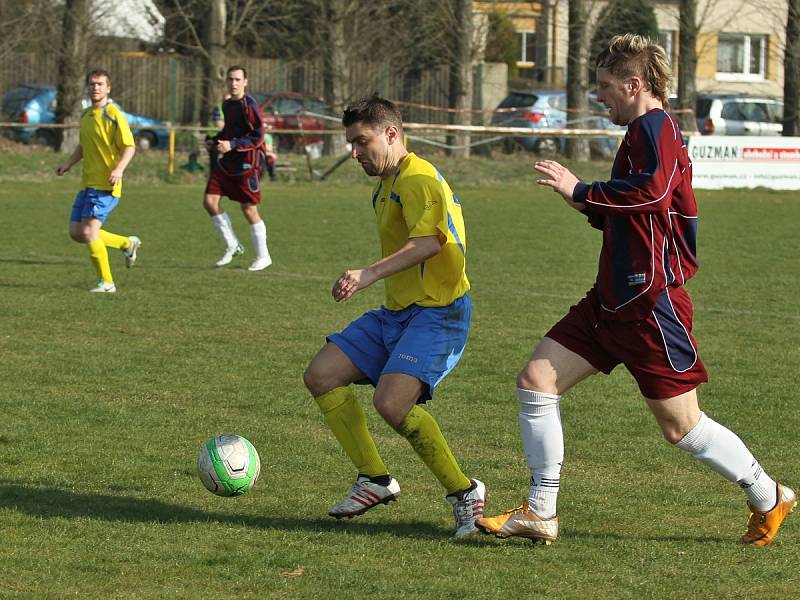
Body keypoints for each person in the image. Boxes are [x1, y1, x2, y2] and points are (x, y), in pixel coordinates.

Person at [475, 34, 795, 547]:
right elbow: (637, 214)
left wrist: (583, 190)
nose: (599, 96)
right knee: (537, 380)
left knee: (682, 428)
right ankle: (540, 512)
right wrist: (584, 203)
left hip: (650, 301)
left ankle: (767, 493)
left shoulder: (657, 127)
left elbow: (654, 192)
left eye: (605, 87)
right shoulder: (642, 133)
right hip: (611, 298)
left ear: (634, 84)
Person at [302, 96, 485, 538]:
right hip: (398, 312)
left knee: (391, 403)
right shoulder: (386, 184)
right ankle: (375, 479)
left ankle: (465, 494)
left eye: (361, 141)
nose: (355, 153)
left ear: (391, 133)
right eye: (351, 143)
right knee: (322, 375)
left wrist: (367, 273)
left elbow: (429, 243)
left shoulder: (419, 178)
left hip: (439, 313)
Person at [55, 68, 141, 293]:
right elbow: (84, 146)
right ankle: (126, 243)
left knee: (90, 232)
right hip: (88, 183)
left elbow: (130, 146)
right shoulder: (85, 115)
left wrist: (119, 169)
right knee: (76, 232)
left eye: (100, 84)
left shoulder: (113, 113)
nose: (96, 87)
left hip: (107, 185)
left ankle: (107, 283)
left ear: (108, 88)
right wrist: (68, 164)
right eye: (92, 84)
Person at [203, 66, 272, 271]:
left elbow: (257, 136)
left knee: (248, 208)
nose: (234, 83)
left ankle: (263, 256)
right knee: (209, 201)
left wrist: (232, 145)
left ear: (245, 82)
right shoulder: (227, 104)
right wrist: (214, 140)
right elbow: (229, 130)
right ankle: (232, 245)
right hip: (228, 162)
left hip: (247, 163)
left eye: (238, 79)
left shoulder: (249, 105)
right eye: (231, 79)